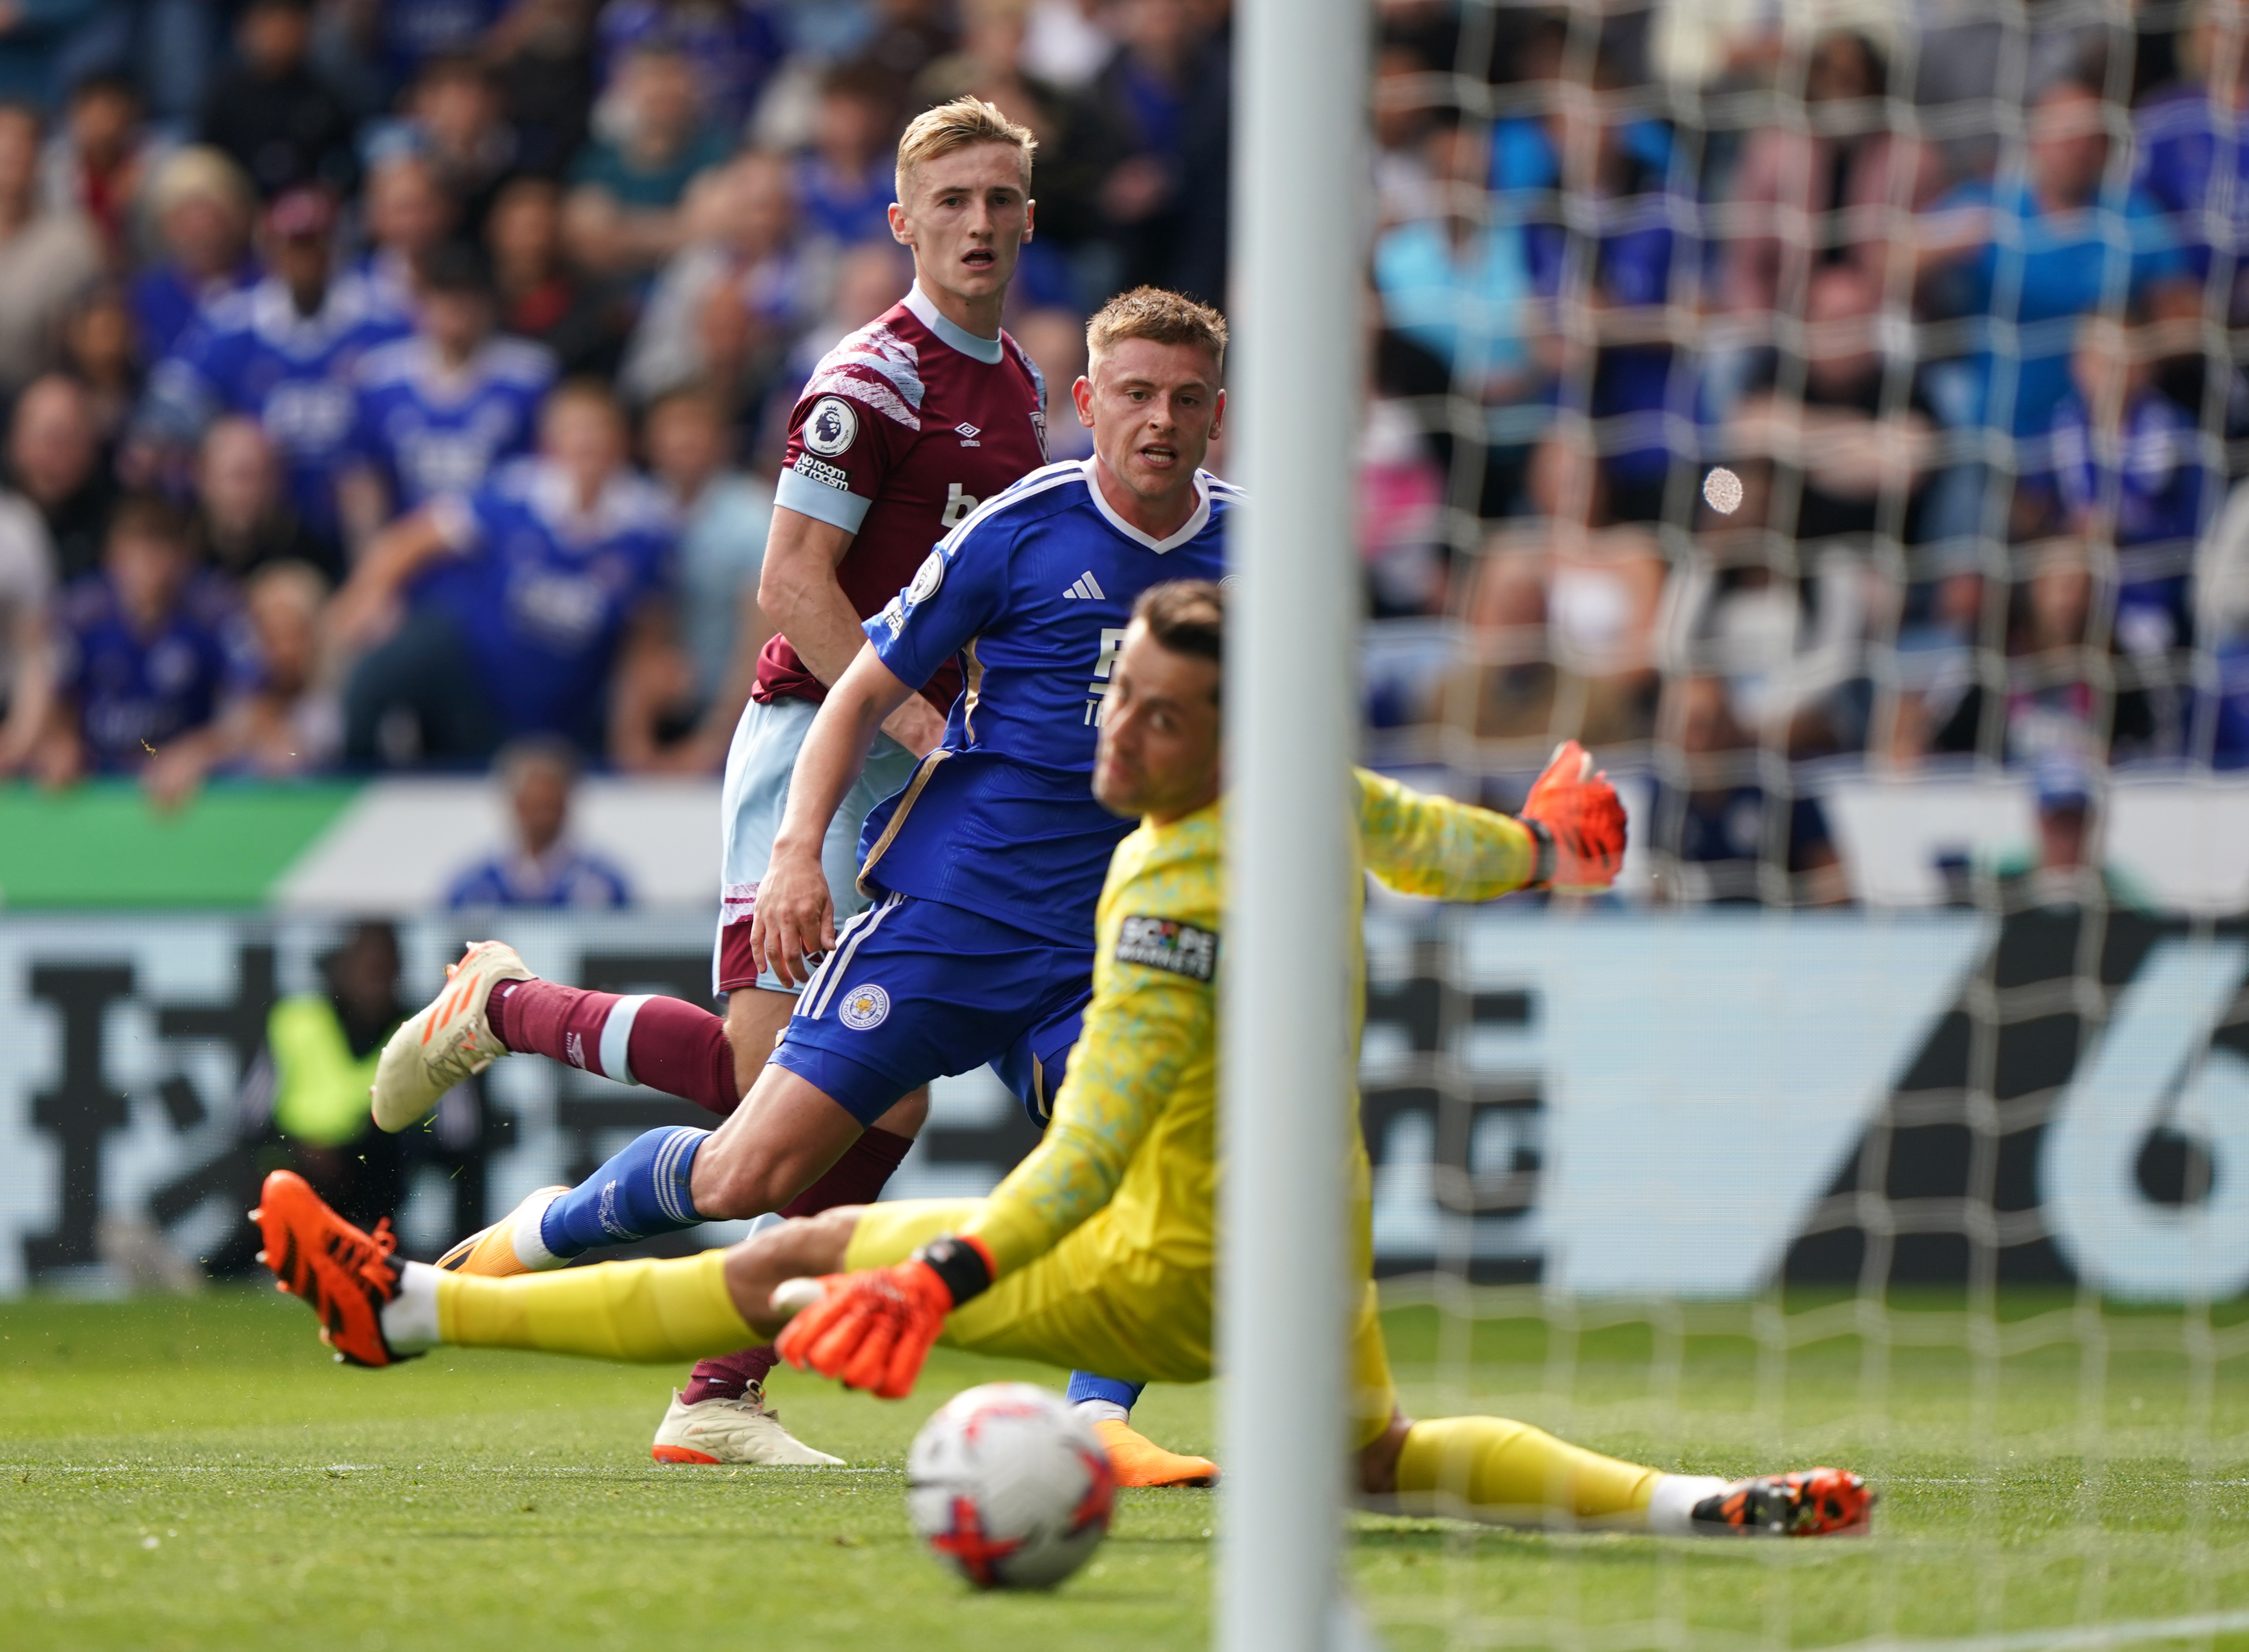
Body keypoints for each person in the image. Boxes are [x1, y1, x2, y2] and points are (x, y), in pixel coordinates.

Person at [251, 583, 1871, 1541]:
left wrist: (941, 1274)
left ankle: (416, 1306)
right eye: (1115, 696)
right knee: (1373, 1455)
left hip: (1153, 1271)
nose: (1111, 739)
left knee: (786, 1250)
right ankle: (1691, 1505)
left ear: (1214, 739)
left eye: (1152, 719)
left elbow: (1085, 1160)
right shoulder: (1311, 789)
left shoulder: (1158, 880)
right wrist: (1543, 846)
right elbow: (1436, 840)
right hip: (1315, 1260)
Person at [353, 96, 1080, 1475]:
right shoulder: (870, 378)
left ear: (1028, 217)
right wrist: (923, 723)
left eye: (1000, 199)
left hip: (913, 765)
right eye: (952, 202)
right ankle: (506, 1006)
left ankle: (718, 1388)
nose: (978, 223)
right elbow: (790, 582)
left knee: (878, 1094)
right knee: (777, 1092)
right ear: (902, 223)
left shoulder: (1017, 389)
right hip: (819, 739)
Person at [329, 380, 677, 767]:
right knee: (398, 657)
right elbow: (412, 541)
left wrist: (636, 733)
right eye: (575, 431)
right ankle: (347, 767)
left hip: (565, 699)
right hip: (474, 674)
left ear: (622, 443)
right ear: (551, 442)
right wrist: (372, 595)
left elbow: (646, 633)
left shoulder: (645, 525)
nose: (587, 443)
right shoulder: (514, 494)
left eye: (597, 431)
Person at [138, 187, 409, 552]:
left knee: (361, 477)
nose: (305, 258)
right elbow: (168, 410)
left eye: (315, 244)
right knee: (236, 450)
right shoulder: (233, 321)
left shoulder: (384, 320)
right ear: (271, 250)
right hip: (267, 516)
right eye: (294, 246)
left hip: (359, 510)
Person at [337, 242, 556, 548]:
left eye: (469, 298)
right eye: (446, 296)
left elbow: (544, 478)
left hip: (497, 552)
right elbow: (363, 476)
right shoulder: (381, 376)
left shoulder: (529, 375)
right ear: (422, 302)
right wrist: (371, 555)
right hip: (405, 550)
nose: (458, 310)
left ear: (490, 303)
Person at [39, 494, 258, 786]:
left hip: (191, 780)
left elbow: (254, 703)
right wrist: (60, 741)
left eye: (160, 550)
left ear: (183, 557)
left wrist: (201, 752)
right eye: (137, 550)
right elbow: (49, 691)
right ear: (112, 555)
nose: (148, 566)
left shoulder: (215, 612)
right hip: (96, 775)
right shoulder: (80, 615)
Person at [196, 0, 357, 200]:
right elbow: (208, 164)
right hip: (238, 204)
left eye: (289, 24)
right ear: (245, 31)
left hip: (308, 210)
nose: (278, 34)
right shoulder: (224, 96)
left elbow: (343, 166)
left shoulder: (326, 97)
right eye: (269, 23)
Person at [447, 737, 632, 909]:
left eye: (550, 806)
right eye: (534, 805)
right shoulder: (475, 886)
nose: (543, 817)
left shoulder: (602, 884)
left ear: (566, 805)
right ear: (515, 805)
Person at [0, 101, 102, 401]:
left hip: (34, 400)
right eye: (2, 138)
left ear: (42, 156)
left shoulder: (73, 241)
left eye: (24, 140)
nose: (11, 150)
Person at [129, 146, 258, 365]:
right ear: (165, 227)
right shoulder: (146, 299)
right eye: (185, 220)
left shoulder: (270, 288)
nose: (200, 233)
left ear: (238, 219)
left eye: (211, 217)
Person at [9, 372, 113, 582]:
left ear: (92, 449)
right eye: (47, 440)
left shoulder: (112, 519)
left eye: (70, 440)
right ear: (15, 442)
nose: (56, 457)